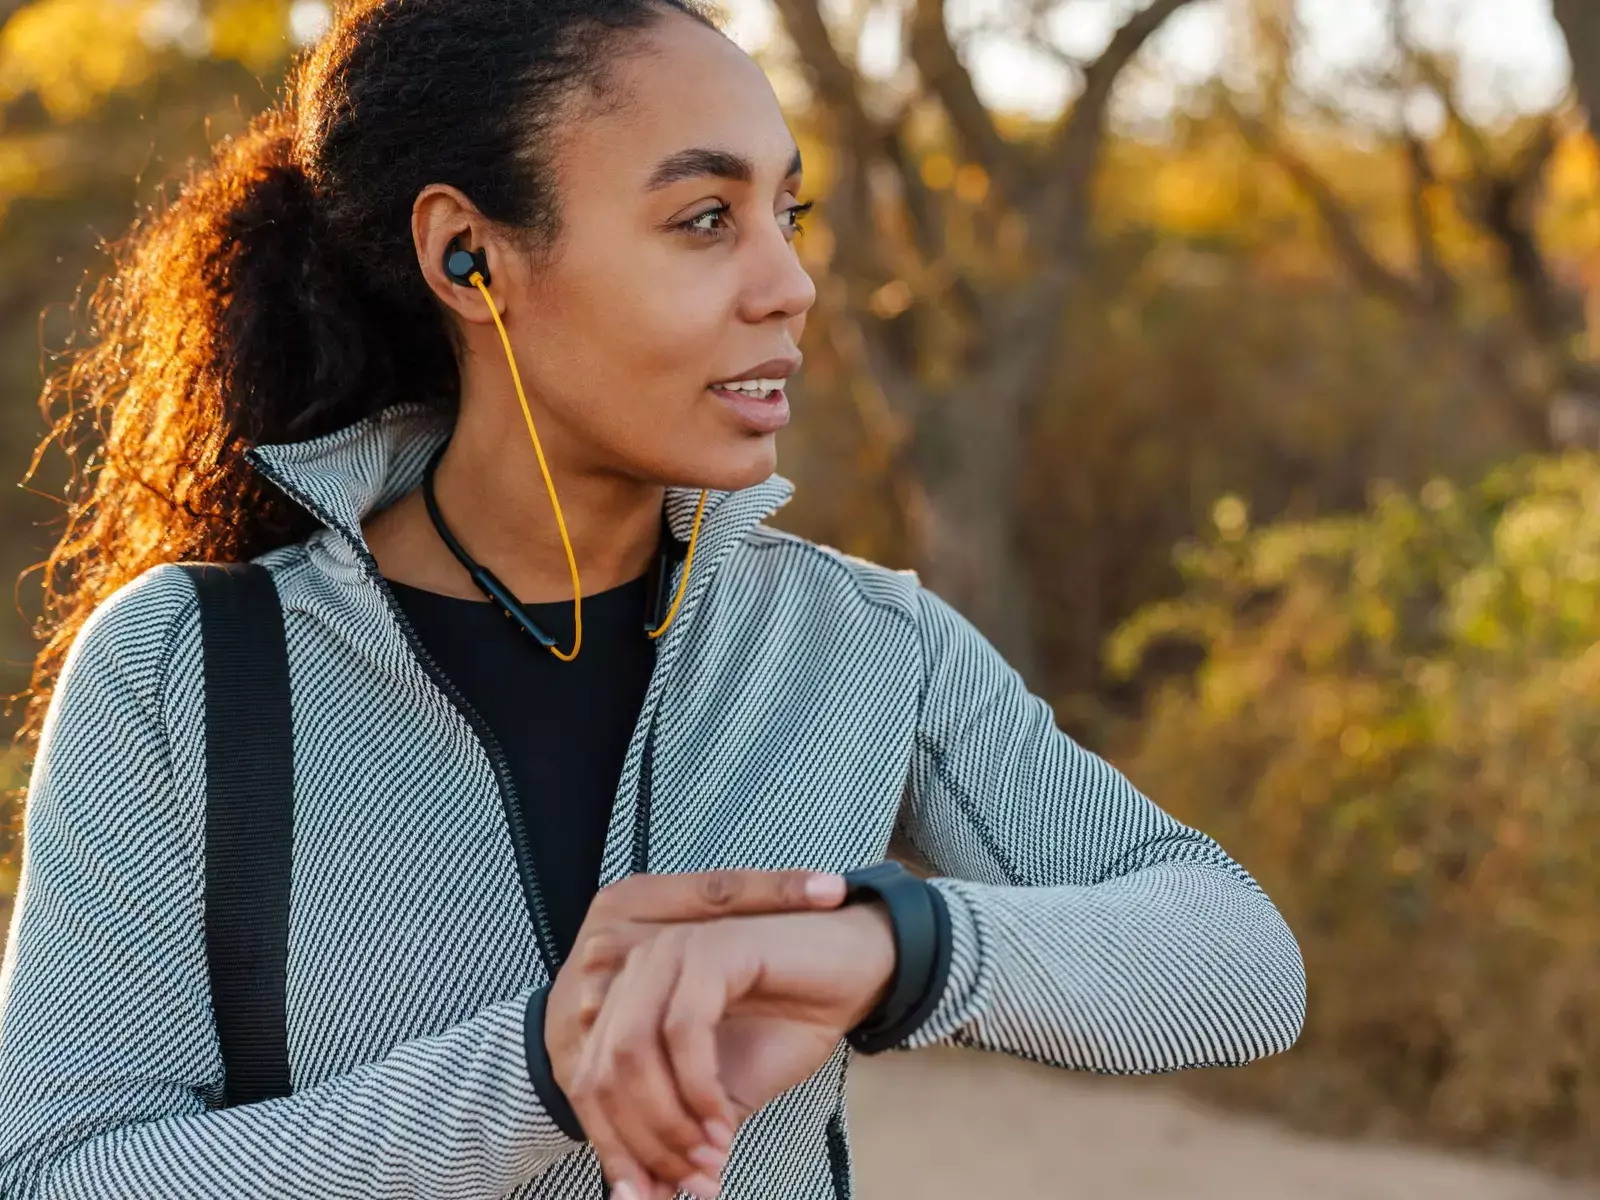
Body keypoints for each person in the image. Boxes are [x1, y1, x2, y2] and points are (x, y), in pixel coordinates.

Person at [0, 1, 1307, 1197]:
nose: (789, 284)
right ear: (470, 261)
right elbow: (62, 1173)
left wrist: (890, 946)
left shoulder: (859, 644)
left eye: (787, 214)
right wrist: (533, 1076)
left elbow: (1240, 961)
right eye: (703, 220)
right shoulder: (184, 668)